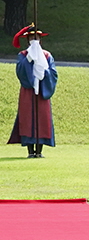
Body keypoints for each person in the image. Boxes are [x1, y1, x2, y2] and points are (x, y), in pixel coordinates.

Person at [8, 25, 57, 158]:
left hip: (42, 90)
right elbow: (20, 71)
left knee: (42, 118)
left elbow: (53, 73)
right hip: (28, 91)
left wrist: (43, 73)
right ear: (27, 40)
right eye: (31, 38)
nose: (34, 41)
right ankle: (30, 150)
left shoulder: (47, 55)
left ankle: (39, 150)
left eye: (36, 38)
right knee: (27, 117)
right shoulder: (23, 55)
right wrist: (28, 62)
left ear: (40, 40)